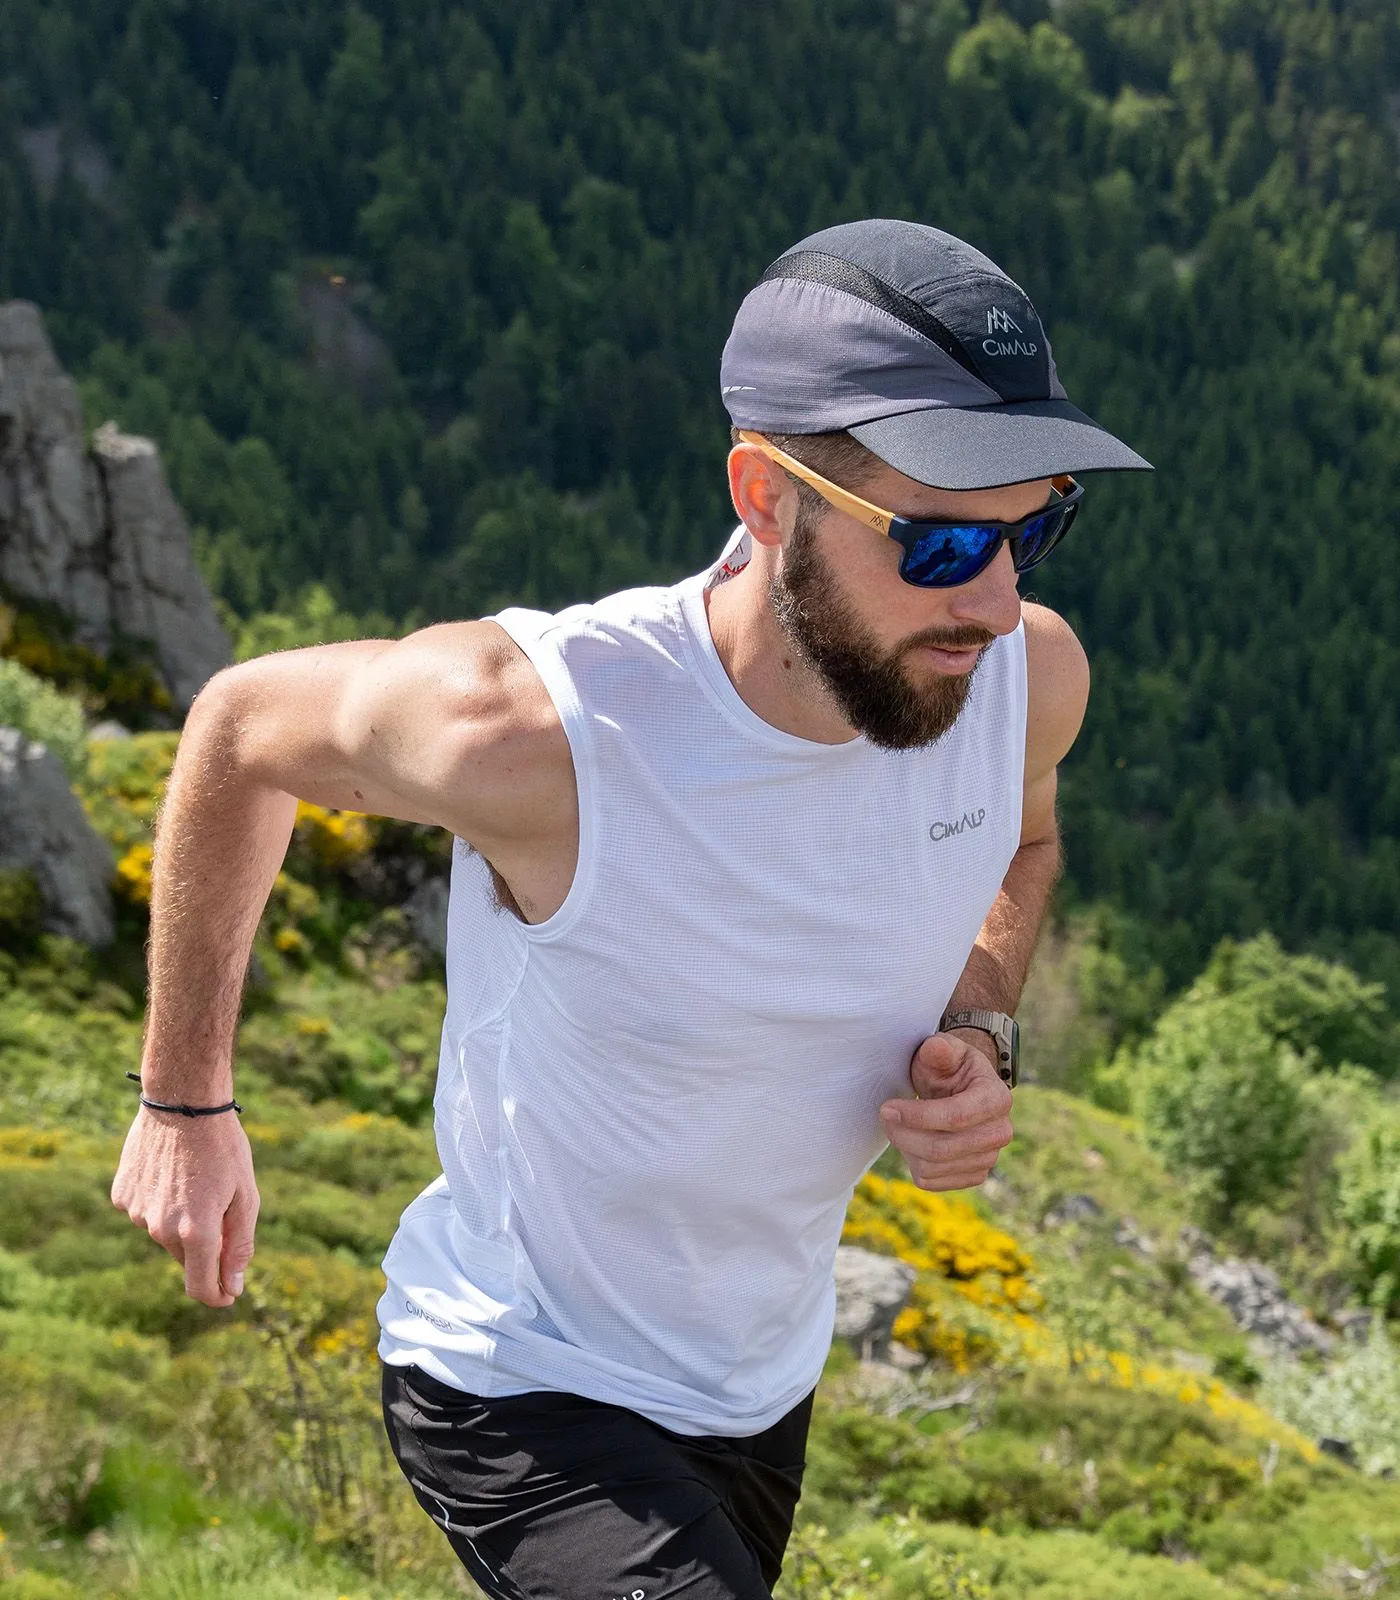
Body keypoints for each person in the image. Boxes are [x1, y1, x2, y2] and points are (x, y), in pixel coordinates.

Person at [111, 218, 1152, 1598]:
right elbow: (242, 731)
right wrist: (186, 1102)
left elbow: (1024, 844)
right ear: (765, 496)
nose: (1000, 598)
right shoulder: (542, 729)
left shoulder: (1024, 675)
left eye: (1042, 526)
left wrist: (980, 1011)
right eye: (945, 541)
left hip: (758, 1386)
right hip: (519, 1379)